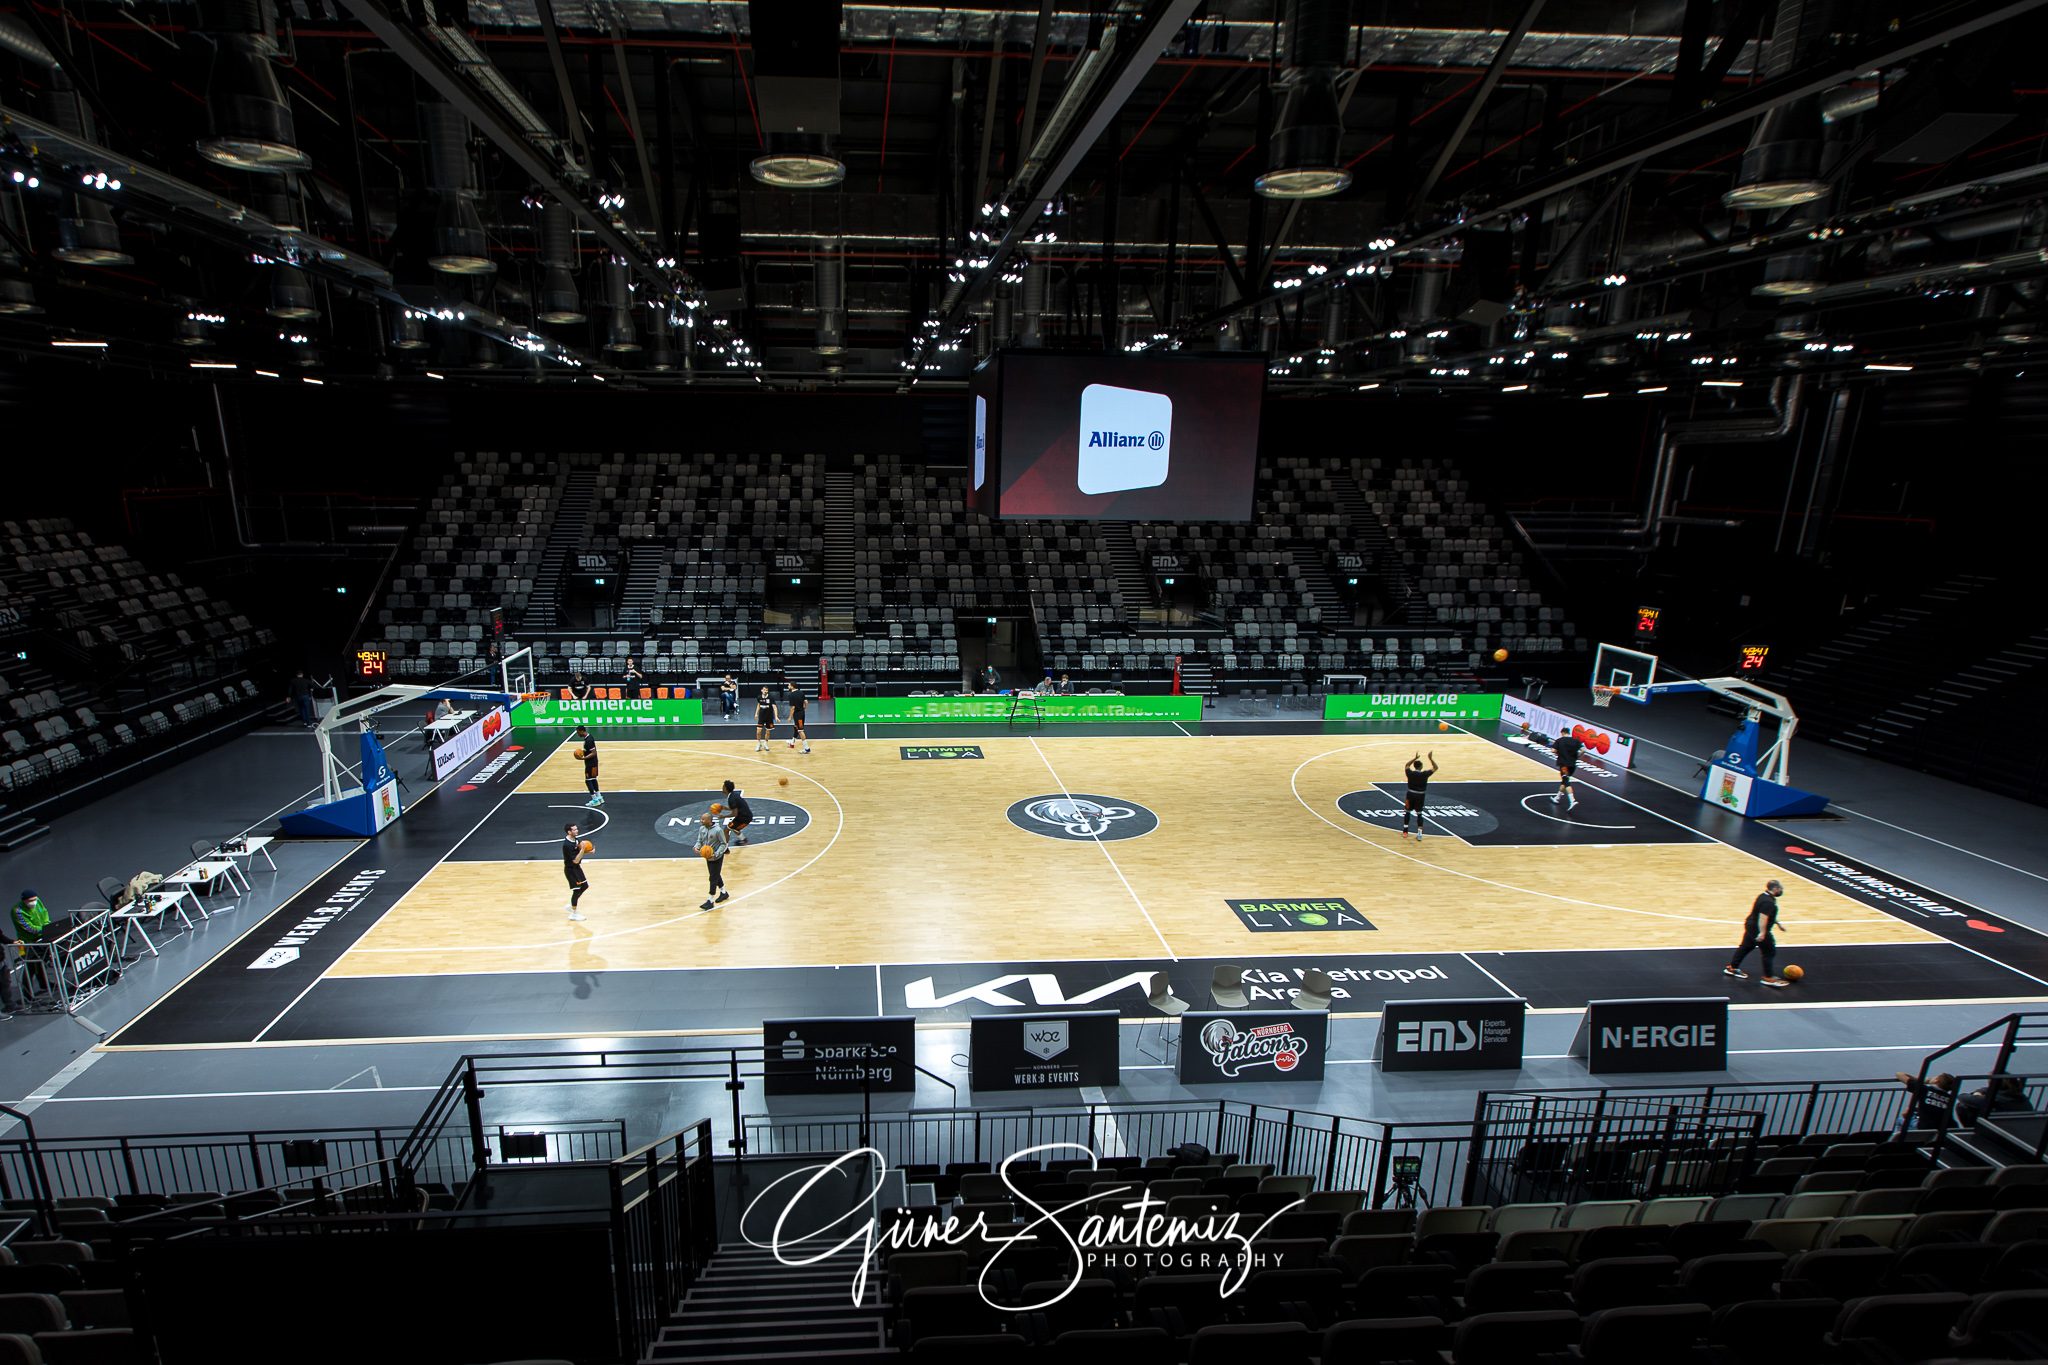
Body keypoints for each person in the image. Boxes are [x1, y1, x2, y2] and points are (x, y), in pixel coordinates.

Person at [1724, 879, 1788, 986]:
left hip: (1751, 925)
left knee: (1746, 947)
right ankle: (1768, 977)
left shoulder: (1764, 896)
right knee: (1769, 951)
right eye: (1781, 889)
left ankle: (1732, 968)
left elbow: (1767, 914)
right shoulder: (1768, 902)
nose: (1782, 891)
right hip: (1757, 928)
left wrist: (1778, 923)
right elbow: (1763, 918)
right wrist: (1762, 933)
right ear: (1775, 889)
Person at [1893, 1071, 1959, 1134]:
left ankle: (1901, 1141)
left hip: (1924, 1128)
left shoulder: (1925, 1090)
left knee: (1900, 1120)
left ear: (1936, 1081)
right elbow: (1936, 1107)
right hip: (1943, 1130)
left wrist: (1923, 1081)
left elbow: (1899, 1074)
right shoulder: (1950, 1098)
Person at [695, 810, 731, 910]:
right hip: (707, 856)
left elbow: (724, 844)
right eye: (701, 819)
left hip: (716, 857)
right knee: (715, 874)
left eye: (703, 819)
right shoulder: (702, 828)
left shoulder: (718, 830)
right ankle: (723, 892)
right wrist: (697, 847)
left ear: (709, 820)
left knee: (713, 877)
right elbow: (699, 841)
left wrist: (716, 854)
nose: (701, 821)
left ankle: (710, 900)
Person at [1401, 752, 1438, 840]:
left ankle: (1405, 831)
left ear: (1414, 766)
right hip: (1420, 796)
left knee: (1407, 812)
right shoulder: (1424, 774)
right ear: (1421, 767)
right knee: (1419, 814)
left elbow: (1406, 765)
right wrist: (1430, 758)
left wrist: (1415, 758)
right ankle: (1420, 834)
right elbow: (1435, 768)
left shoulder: (1410, 774)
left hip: (1410, 794)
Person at [562, 822, 590, 922]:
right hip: (571, 870)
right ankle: (573, 913)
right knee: (576, 890)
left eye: (576, 829)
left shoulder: (575, 840)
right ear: (569, 832)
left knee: (585, 886)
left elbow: (578, 852)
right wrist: (583, 850)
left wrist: (588, 850)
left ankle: (572, 905)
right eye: (574, 830)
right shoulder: (567, 845)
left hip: (576, 868)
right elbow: (575, 860)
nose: (577, 831)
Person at [573, 725, 603, 807]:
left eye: (578, 732)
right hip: (593, 763)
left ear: (582, 731)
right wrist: (584, 751)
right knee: (593, 779)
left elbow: (593, 752)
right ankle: (599, 797)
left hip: (591, 763)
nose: (578, 734)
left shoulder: (589, 740)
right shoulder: (588, 738)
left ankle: (594, 799)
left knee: (588, 780)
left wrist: (583, 758)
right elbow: (589, 750)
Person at [722, 779, 754, 846]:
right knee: (734, 827)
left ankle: (725, 848)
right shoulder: (733, 795)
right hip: (745, 815)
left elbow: (735, 814)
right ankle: (743, 840)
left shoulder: (731, 799)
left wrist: (723, 816)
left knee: (726, 830)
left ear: (726, 789)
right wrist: (725, 808)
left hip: (744, 818)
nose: (722, 788)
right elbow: (736, 808)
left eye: (723, 786)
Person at [784, 687, 811, 754]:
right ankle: (792, 742)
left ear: (791, 686)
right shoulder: (801, 692)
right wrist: (805, 707)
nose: (788, 686)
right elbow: (806, 702)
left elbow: (792, 707)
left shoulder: (791, 695)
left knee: (800, 730)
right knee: (796, 727)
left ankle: (806, 748)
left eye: (789, 685)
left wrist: (790, 717)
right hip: (802, 713)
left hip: (797, 715)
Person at [754, 687, 776, 753]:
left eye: (766, 690)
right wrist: (756, 713)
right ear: (761, 690)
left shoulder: (771, 697)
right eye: (764, 690)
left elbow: (774, 707)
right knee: (758, 731)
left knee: (768, 732)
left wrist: (776, 716)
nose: (765, 691)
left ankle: (766, 744)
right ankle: (759, 743)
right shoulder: (759, 697)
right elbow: (758, 705)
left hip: (769, 717)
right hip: (761, 717)